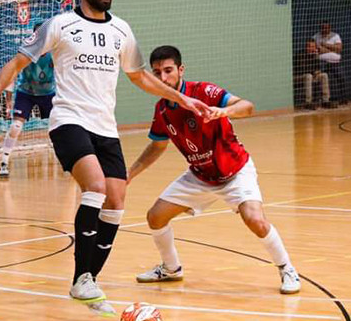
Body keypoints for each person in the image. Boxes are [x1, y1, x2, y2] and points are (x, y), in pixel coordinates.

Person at [0, 0, 211, 317]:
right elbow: (17, 62)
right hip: (68, 120)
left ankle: (88, 280)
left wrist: (181, 100)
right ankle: (82, 276)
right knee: (96, 187)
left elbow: (139, 77)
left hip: (105, 127)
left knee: (116, 200)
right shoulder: (60, 25)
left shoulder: (121, 31)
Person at [127, 45, 301, 295]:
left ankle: (287, 268)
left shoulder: (203, 91)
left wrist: (224, 111)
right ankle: (171, 269)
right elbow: (157, 146)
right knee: (155, 217)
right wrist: (130, 173)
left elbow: (247, 106)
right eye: (157, 73)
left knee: (254, 219)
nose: (163, 78)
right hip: (200, 175)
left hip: (235, 170)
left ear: (180, 69)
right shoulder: (162, 110)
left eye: (168, 71)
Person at [0, 23, 55, 178]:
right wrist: (9, 99)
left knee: (61, 126)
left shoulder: (55, 53)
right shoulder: (26, 53)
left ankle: (68, 160)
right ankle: (4, 161)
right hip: (26, 93)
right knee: (16, 126)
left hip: (48, 94)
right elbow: (12, 73)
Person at [313, 21, 346, 105]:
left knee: (341, 78)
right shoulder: (316, 36)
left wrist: (325, 45)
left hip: (335, 62)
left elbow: (339, 49)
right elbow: (316, 50)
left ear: (330, 28)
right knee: (319, 78)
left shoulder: (335, 36)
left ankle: (343, 98)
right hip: (321, 62)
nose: (325, 29)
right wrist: (332, 49)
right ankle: (318, 99)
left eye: (326, 27)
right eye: (323, 27)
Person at [295, 38, 330, 109]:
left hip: (312, 75)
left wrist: (317, 71)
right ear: (306, 47)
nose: (312, 48)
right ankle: (308, 102)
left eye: (313, 47)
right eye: (310, 46)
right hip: (299, 76)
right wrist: (314, 72)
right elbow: (302, 70)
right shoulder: (300, 54)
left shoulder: (314, 55)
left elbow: (317, 68)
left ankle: (325, 100)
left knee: (324, 75)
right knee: (309, 76)